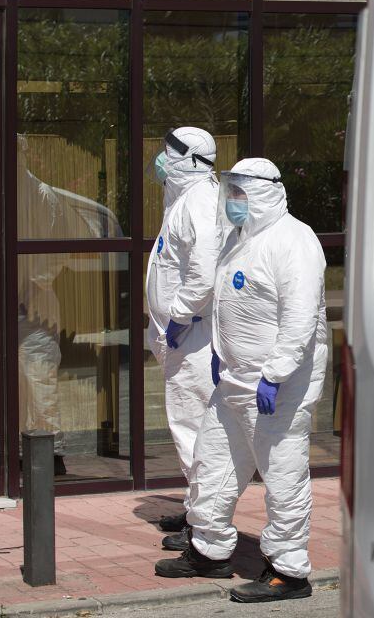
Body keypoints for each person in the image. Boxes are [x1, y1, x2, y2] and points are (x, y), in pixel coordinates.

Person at [155, 158, 328, 604]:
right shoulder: (239, 240)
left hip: (277, 390)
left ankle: (288, 572)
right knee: (212, 464)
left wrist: (276, 374)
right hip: (232, 381)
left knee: (283, 475)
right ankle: (208, 551)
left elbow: (300, 318)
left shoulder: (294, 241)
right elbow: (229, 303)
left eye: (239, 192)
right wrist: (218, 354)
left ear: (265, 192)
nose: (232, 200)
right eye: (228, 191)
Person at [145, 127, 224, 545]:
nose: (160, 158)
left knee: (195, 429)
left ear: (189, 159)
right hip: (181, 336)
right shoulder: (184, 198)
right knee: (187, 427)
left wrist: (179, 316)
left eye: (166, 152)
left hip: (192, 336)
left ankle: (205, 527)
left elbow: (203, 269)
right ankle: (198, 510)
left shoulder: (199, 200)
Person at [16, 136, 73, 475]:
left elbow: (56, 250)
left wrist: (31, 286)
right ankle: (25, 448)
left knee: (38, 378)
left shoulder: (42, 196)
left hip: (35, 304)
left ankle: (51, 454)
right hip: (8, 302)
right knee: (15, 384)